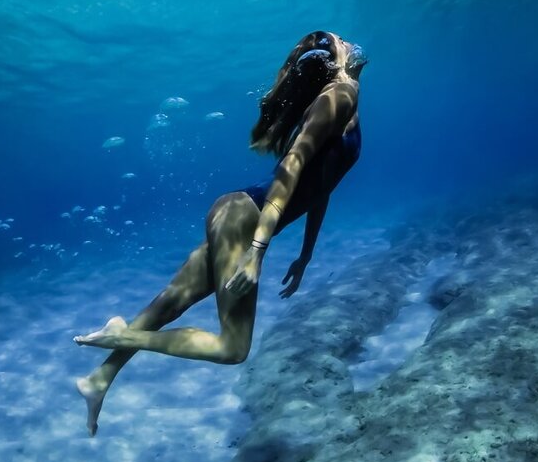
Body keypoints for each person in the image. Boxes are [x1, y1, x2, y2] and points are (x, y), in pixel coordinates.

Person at [73, 31, 367, 436]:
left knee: (170, 303)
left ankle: (99, 380)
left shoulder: (340, 103)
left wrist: (306, 254)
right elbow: (291, 167)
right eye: (344, 44)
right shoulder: (342, 92)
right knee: (233, 348)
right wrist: (257, 251)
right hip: (242, 221)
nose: (352, 45)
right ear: (337, 61)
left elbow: (322, 186)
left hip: (235, 212)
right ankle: (120, 336)